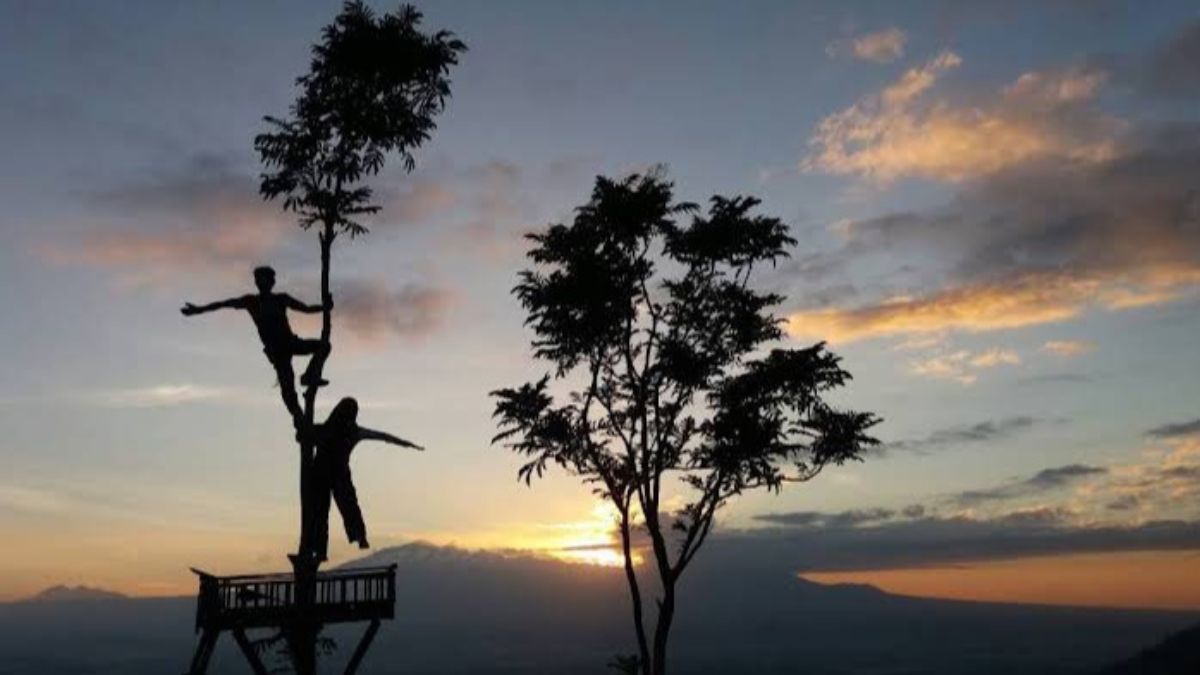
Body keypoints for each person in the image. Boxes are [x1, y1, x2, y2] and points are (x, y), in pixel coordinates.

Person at [180, 266, 330, 422]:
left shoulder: (281, 299)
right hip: (277, 350)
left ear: (272, 282)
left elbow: (306, 309)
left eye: (264, 279)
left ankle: (309, 376)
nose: (261, 282)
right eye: (258, 280)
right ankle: (300, 420)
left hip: (291, 342)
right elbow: (224, 304)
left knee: (324, 346)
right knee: (288, 388)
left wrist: (325, 308)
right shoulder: (251, 301)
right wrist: (200, 309)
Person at [300, 397, 423, 561]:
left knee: (327, 510)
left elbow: (384, 436)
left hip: (329, 473)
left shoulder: (328, 429)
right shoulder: (342, 430)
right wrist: (408, 444)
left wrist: (408, 444)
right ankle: (341, 542)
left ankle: (326, 547)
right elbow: (383, 436)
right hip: (333, 473)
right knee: (335, 508)